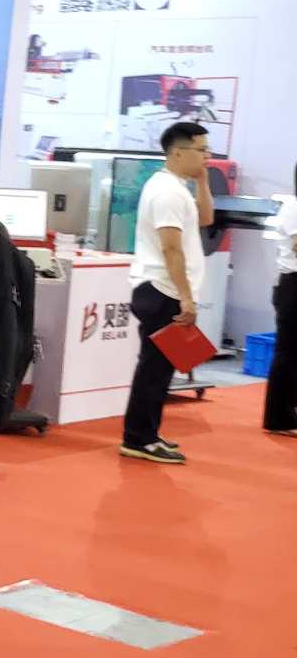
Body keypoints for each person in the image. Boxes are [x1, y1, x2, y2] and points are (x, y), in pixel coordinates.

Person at [119, 122, 215, 463]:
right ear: (177, 152)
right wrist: (186, 296)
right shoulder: (167, 193)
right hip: (162, 290)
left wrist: (203, 180)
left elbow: (206, 219)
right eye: (201, 150)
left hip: (166, 289)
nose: (207, 156)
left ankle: (147, 433)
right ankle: (138, 439)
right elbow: (171, 248)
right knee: (153, 368)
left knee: (160, 369)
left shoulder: (178, 188)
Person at [267, 173, 297, 436]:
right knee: (288, 352)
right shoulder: (294, 207)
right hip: (293, 285)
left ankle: (290, 412)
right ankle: (280, 418)